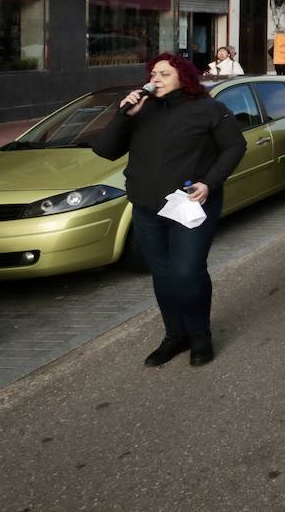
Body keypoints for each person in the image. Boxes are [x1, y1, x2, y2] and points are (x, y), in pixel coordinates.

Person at [90, 53, 247, 367]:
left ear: (183, 76)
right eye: (153, 73)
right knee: (162, 273)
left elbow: (235, 146)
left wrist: (209, 183)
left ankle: (200, 335)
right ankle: (175, 335)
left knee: (187, 271)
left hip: (191, 205)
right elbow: (104, 151)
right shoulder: (141, 111)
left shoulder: (209, 109)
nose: (155, 79)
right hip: (148, 207)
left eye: (163, 73)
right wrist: (124, 114)